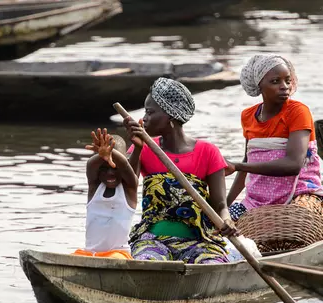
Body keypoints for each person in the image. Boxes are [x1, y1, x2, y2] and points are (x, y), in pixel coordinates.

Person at [123, 77, 241, 264]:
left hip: (200, 241)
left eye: (150, 112)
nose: (144, 118)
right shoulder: (144, 148)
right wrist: (136, 148)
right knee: (147, 263)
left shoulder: (207, 151)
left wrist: (227, 221)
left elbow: (220, 205)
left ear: (170, 115)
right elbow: (126, 186)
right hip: (153, 240)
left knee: (210, 266)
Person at [226, 54, 323, 221]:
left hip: (300, 193)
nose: (285, 86)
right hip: (257, 200)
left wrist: (238, 166)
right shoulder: (248, 116)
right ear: (259, 85)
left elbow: (293, 165)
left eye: (288, 80)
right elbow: (248, 161)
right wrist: (224, 206)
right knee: (220, 226)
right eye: (275, 81)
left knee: (297, 221)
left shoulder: (298, 112)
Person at [73, 128, 138, 260]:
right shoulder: (94, 187)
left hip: (119, 255)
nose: (110, 173)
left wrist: (110, 152)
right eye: (104, 168)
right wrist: (101, 155)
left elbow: (125, 165)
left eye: (114, 168)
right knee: (73, 257)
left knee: (114, 259)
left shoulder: (129, 189)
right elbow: (90, 165)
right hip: (91, 254)